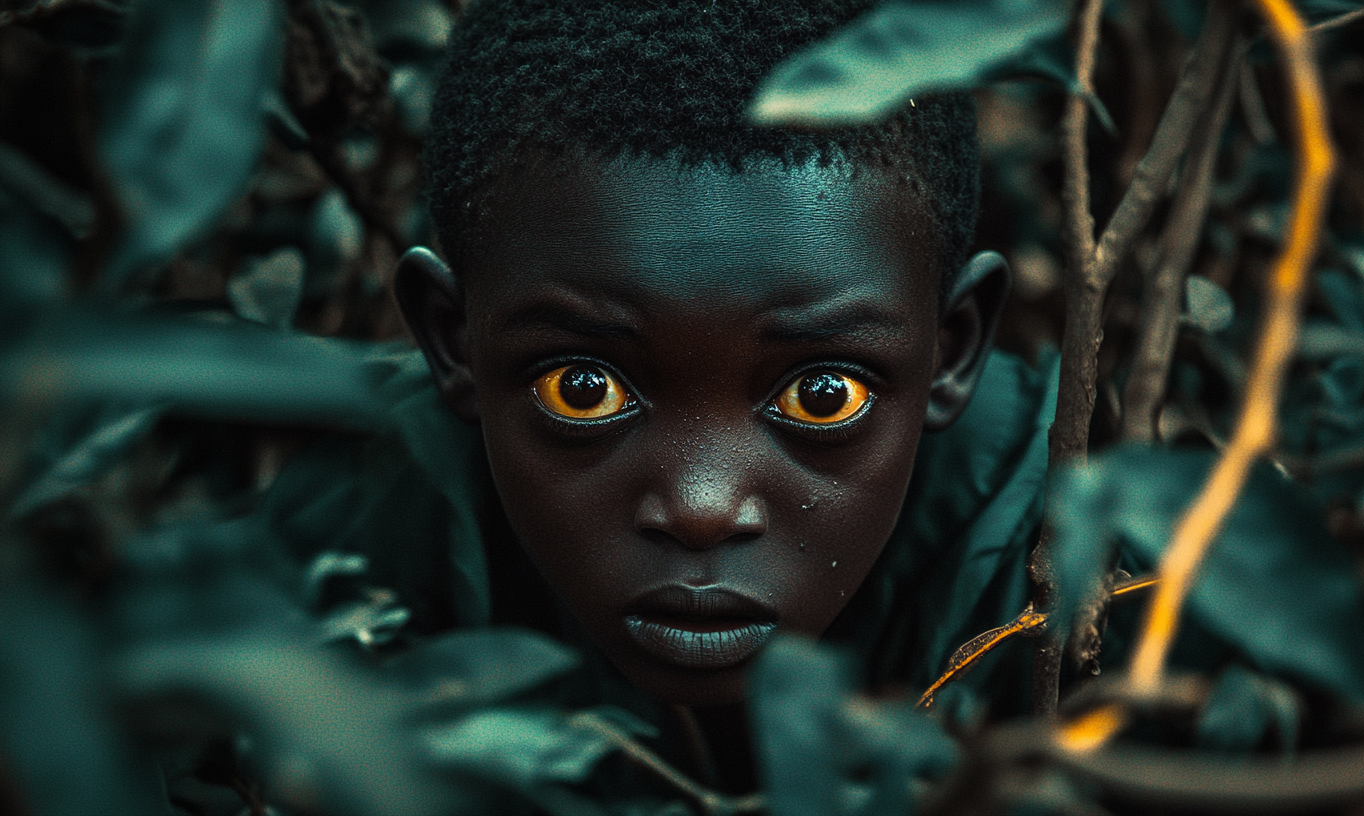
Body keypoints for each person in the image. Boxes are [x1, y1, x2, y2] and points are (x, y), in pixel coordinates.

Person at [259, 0, 1057, 795]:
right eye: (584, 391)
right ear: (451, 339)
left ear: (951, 350)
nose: (702, 506)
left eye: (823, 395)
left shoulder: (1111, 588)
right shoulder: (314, 587)